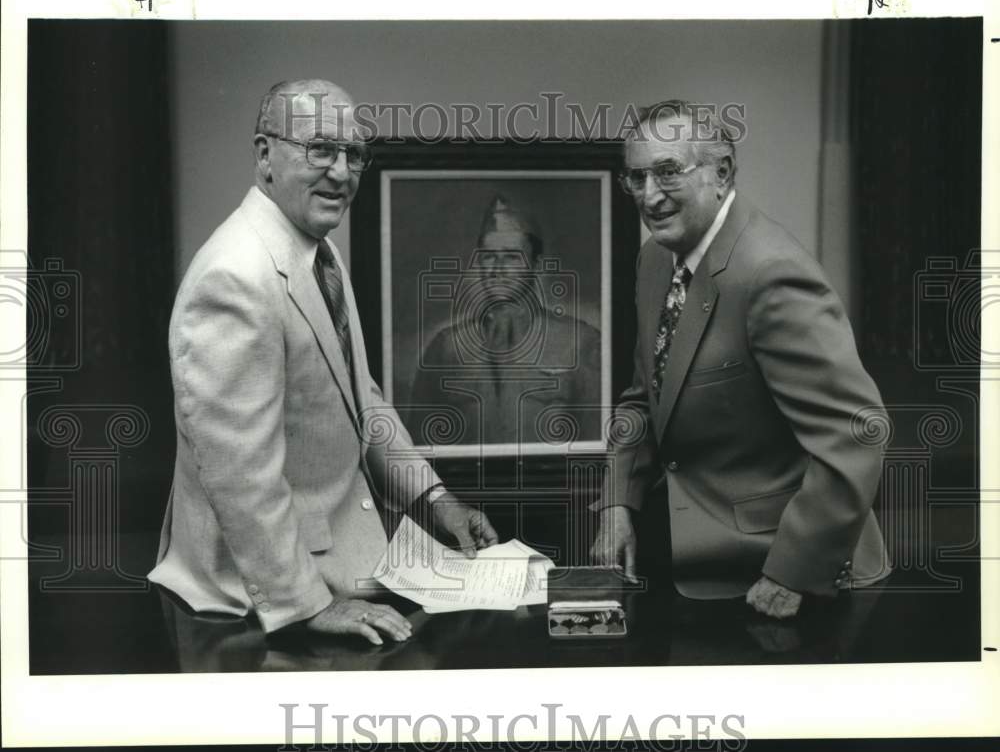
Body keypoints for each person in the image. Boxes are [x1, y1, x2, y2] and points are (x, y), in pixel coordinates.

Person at [149, 79, 497, 644]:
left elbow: (364, 399)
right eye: (320, 149)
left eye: (353, 153)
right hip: (255, 603)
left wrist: (436, 500)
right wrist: (307, 606)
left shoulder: (317, 250)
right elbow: (241, 476)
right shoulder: (234, 276)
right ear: (265, 154)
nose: (341, 171)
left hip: (342, 564)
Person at [590, 100, 891, 618]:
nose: (650, 196)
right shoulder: (654, 259)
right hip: (697, 561)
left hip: (795, 578)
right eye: (636, 178)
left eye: (667, 172)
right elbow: (644, 396)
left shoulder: (771, 273)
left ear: (721, 173)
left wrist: (791, 572)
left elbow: (857, 431)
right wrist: (618, 500)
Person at [408, 194, 602, 447]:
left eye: (511, 257)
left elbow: (599, 448)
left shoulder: (580, 342)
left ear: (537, 265)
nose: (497, 269)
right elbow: (418, 451)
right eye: (489, 256)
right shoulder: (447, 348)